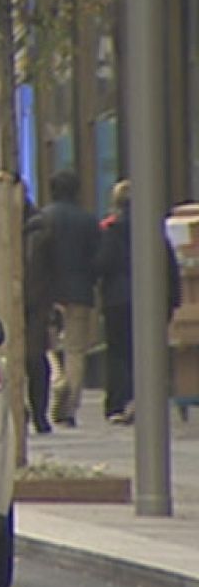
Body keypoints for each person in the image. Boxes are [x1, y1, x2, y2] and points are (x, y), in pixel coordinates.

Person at [95, 180, 182, 424]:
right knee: (149, 351)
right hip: (153, 298)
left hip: (118, 300)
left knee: (119, 354)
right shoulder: (154, 229)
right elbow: (169, 265)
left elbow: (103, 263)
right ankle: (147, 401)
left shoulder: (112, 230)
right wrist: (174, 299)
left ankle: (119, 403)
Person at [42, 170, 102, 428]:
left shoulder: (43, 219)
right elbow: (99, 257)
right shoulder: (88, 221)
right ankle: (68, 409)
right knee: (76, 350)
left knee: (48, 345)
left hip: (48, 293)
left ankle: (58, 380)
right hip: (80, 293)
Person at [21, 198, 54, 433]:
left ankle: (38, 413)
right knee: (33, 361)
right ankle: (26, 411)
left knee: (35, 360)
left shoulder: (42, 231)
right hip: (27, 302)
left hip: (36, 304)